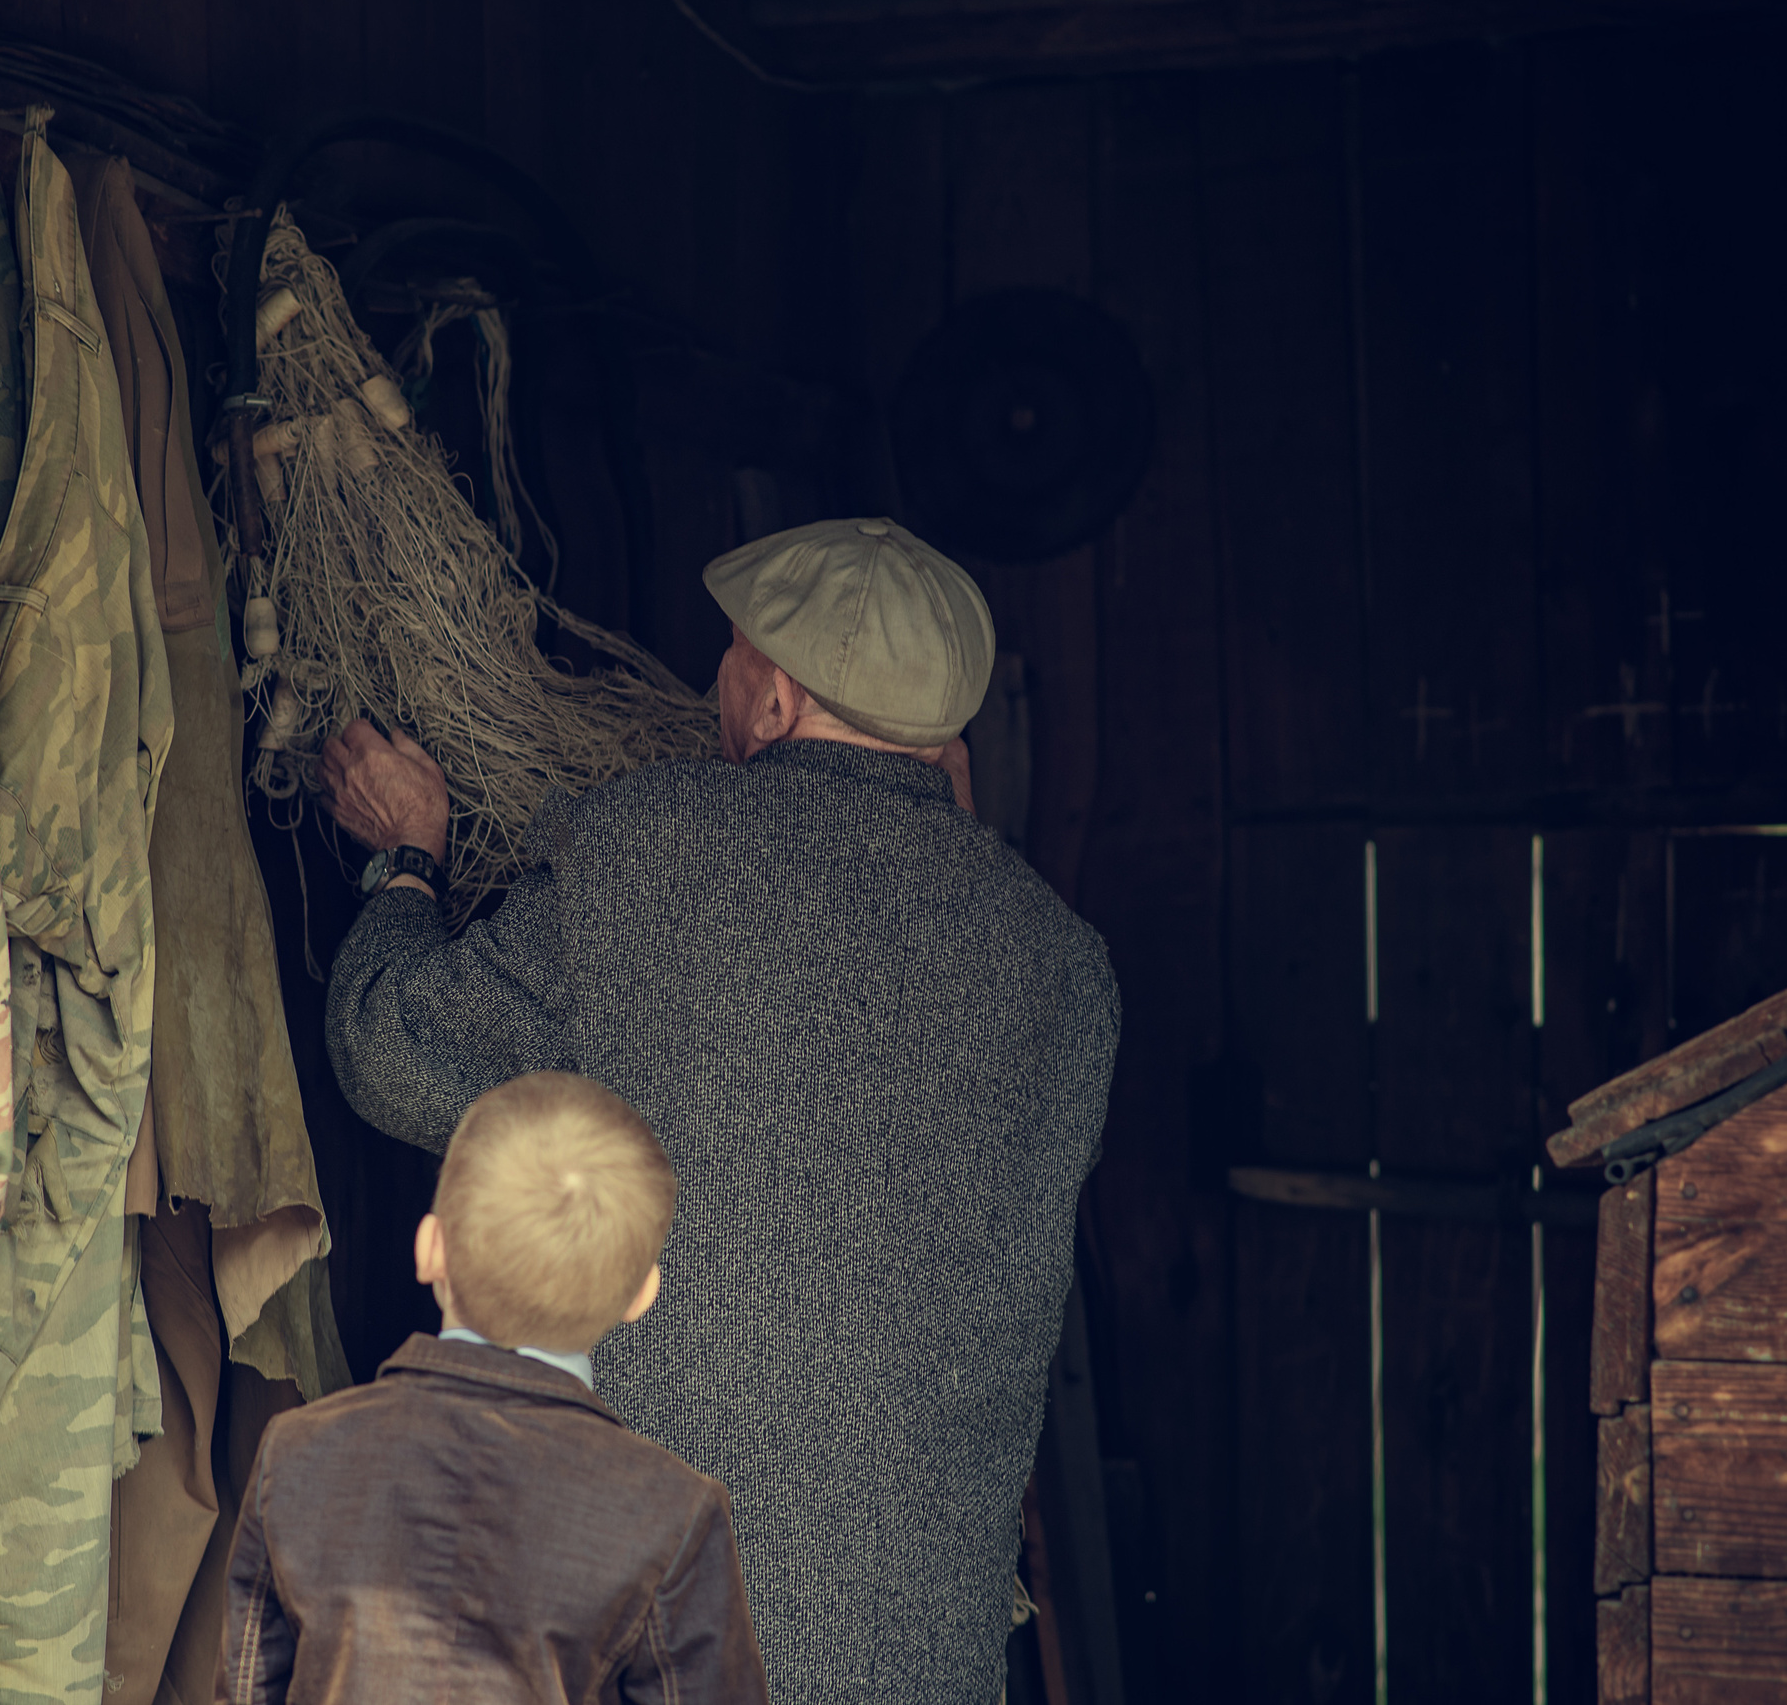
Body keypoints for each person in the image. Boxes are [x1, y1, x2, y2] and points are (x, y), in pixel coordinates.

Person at [315, 517, 1121, 1705]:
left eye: (731, 659)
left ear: (780, 701)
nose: (711, 685)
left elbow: (390, 1050)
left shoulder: (643, 851)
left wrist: (405, 863)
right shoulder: (1067, 969)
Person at [214, 1071, 768, 1704]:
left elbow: (245, 1690)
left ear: (429, 1249)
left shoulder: (297, 1453)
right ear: (641, 1294)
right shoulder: (675, 1514)